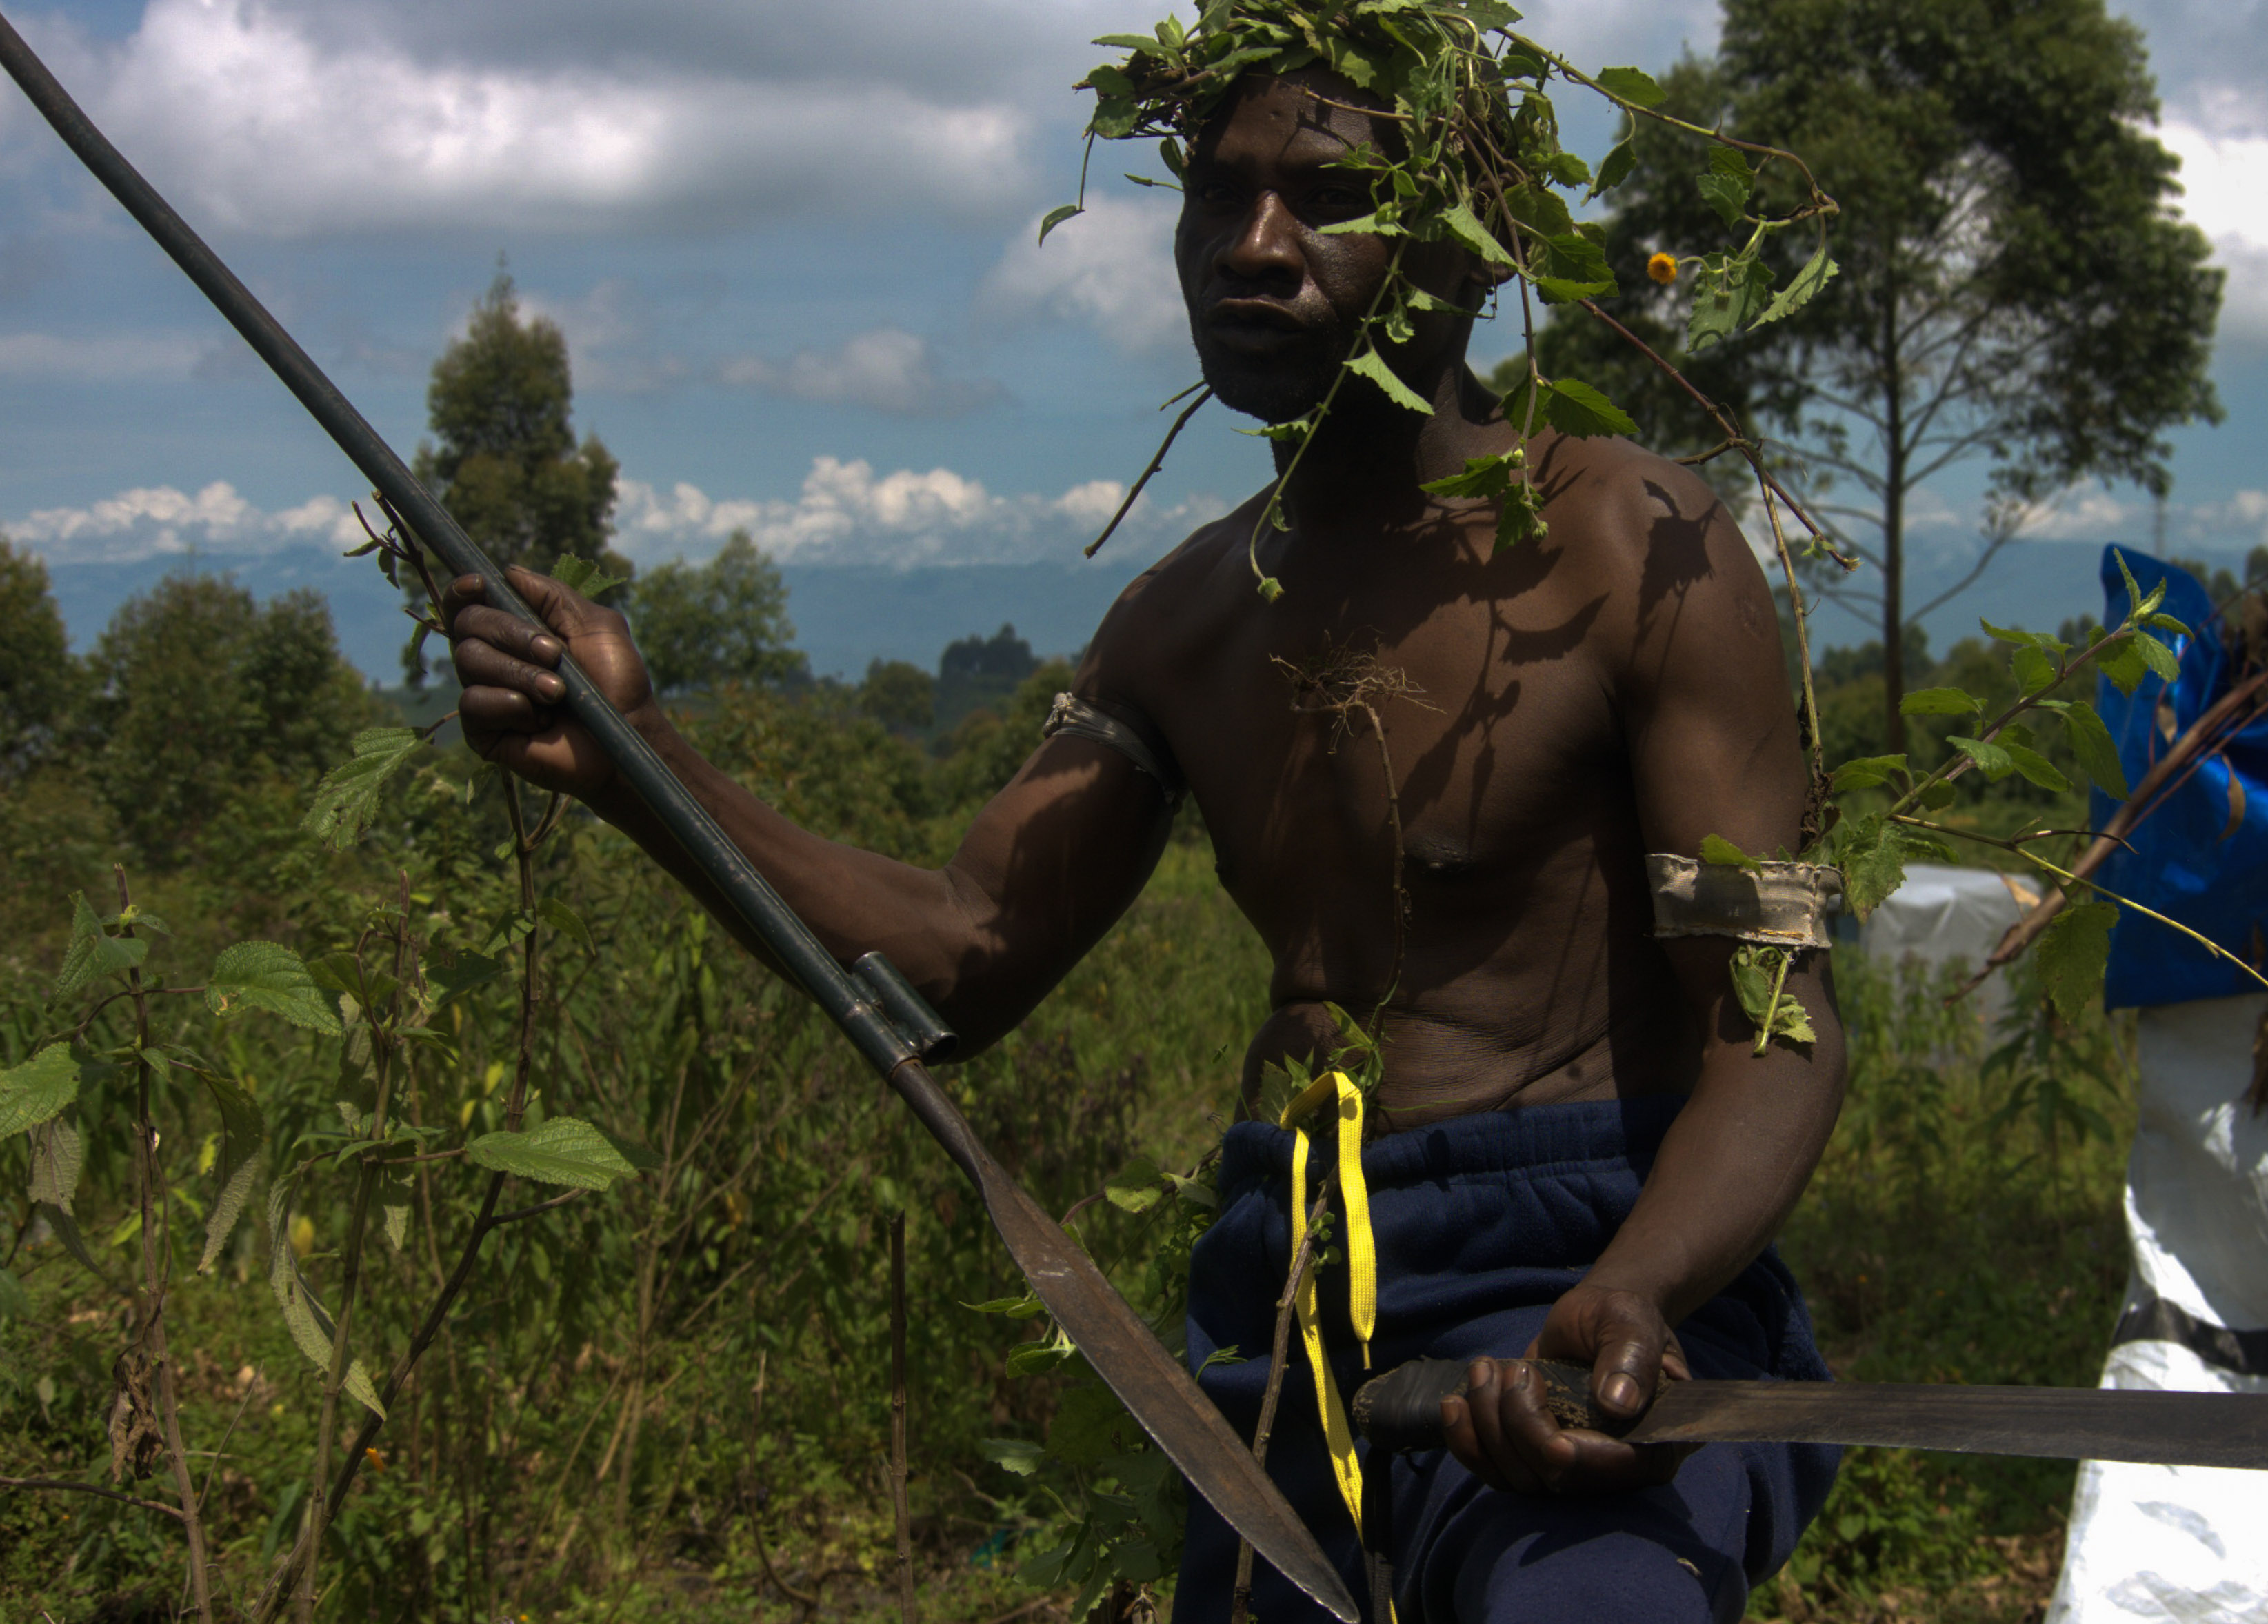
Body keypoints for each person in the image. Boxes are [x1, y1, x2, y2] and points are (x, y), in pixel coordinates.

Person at [445, 62, 1844, 1624]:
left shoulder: (1635, 548)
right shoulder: (1181, 624)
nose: (1252, 243)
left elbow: (1772, 1018)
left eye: (1328, 197)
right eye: (1217, 192)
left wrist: (1634, 1292)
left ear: (1476, 243)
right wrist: (639, 765)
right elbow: (969, 953)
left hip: (1584, 1258)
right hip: (1293, 1304)